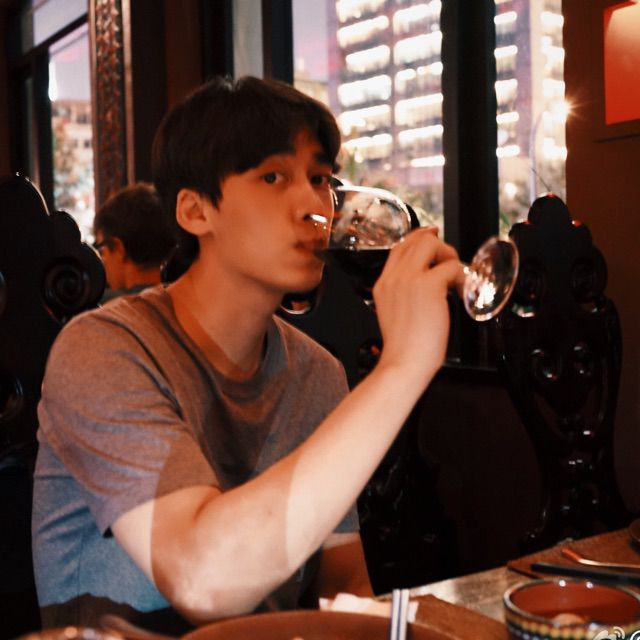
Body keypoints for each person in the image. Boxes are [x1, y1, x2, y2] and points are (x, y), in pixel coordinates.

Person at [31, 76, 462, 633]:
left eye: (319, 179)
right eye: (273, 177)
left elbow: (343, 590)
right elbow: (200, 581)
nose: (313, 205)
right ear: (195, 211)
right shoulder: (102, 350)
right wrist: (403, 367)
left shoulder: (318, 373)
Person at [92, 182, 176, 301]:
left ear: (119, 248)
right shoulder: (185, 300)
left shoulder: (101, 305)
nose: (102, 259)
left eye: (101, 249)